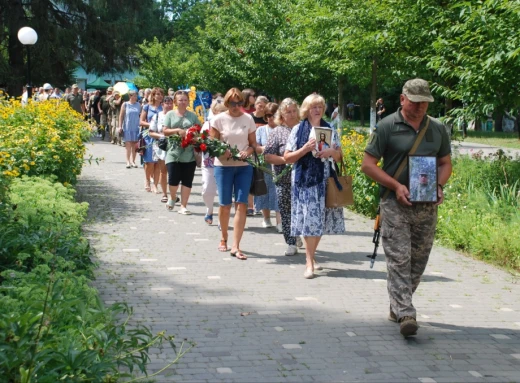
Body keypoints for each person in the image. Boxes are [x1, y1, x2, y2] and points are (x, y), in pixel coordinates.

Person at [361, 78, 452, 337]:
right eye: (415, 102)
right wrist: (396, 186)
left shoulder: (437, 129)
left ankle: (398, 306)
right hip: (394, 202)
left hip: (426, 205)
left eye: (424, 103)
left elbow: (445, 163)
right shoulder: (387, 126)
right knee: (400, 259)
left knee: (418, 262)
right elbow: (368, 165)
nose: (420, 108)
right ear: (403, 99)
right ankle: (407, 314)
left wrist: (439, 186)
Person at [284, 94, 345, 279]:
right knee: (308, 221)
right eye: (314, 107)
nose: (317, 110)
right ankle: (309, 262)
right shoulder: (297, 129)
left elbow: (340, 156)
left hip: (325, 180)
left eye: (320, 106)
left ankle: (311, 256)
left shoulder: (329, 127)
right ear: (307, 109)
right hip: (304, 181)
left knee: (319, 222)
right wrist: (305, 149)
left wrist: (331, 152)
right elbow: (287, 157)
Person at [210, 87, 257, 260]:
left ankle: (236, 245)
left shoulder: (248, 119)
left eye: (239, 103)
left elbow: (253, 144)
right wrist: (223, 152)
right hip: (223, 166)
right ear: (227, 103)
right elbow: (212, 145)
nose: (236, 106)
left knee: (242, 204)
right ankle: (223, 237)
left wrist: (248, 152)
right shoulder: (219, 119)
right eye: (232, 103)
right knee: (224, 205)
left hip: (244, 166)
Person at [264, 98, 304, 255]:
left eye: (294, 111)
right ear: (282, 114)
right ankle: (291, 242)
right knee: (286, 211)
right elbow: (268, 156)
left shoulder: (304, 129)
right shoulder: (277, 132)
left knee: (301, 210)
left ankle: (299, 233)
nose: (292, 114)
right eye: (288, 112)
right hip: (284, 178)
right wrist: (286, 160)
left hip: (303, 178)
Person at [162, 90, 199, 214]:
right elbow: (165, 131)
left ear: (188, 101)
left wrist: (193, 135)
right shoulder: (170, 114)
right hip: (173, 151)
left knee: (187, 180)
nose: (183, 102)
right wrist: (177, 130)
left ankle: (183, 206)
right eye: (180, 100)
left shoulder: (192, 116)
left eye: (185, 100)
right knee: (173, 178)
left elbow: (199, 130)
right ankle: (172, 197)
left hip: (189, 153)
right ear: (175, 102)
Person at [255, 102, 281, 230]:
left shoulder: (282, 129)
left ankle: (280, 222)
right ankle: (266, 218)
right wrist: (266, 149)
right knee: (263, 191)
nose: (270, 117)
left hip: (279, 165)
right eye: (268, 115)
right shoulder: (261, 130)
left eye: (273, 114)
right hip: (264, 166)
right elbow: (255, 147)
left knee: (278, 193)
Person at [201, 102, 227, 225]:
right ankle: (209, 209)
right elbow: (201, 140)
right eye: (219, 112)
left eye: (224, 112)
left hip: (225, 162)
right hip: (209, 161)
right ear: (214, 112)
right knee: (207, 189)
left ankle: (222, 220)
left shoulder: (230, 124)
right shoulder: (208, 124)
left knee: (224, 191)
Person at [149, 95, 174, 203]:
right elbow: (151, 132)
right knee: (163, 171)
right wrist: (161, 136)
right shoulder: (157, 116)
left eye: (170, 103)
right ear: (162, 104)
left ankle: (173, 194)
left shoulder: (177, 115)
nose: (169, 105)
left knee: (174, 172)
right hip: (162, 146)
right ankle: (164, 193)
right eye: (166, 103)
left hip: (175, 146)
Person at [139, 87, 164, 193]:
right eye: (157, 94)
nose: (159, 96)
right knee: (149, 162)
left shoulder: (164, 108)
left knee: (158, 162)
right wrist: (152, 124)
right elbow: (141, 122)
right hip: (149, 136)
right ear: (153, 95)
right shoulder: (147, 107)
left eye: (161, 94)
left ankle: (155, 185)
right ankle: (147, 180)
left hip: (160, 136)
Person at [119, 90, 141, 168]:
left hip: (136, 127)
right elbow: (121, 116)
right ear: (130, 96)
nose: (135, 97)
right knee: (128, 145)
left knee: (134, 145)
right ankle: (128, 161)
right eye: (134, 96)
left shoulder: (138, 105)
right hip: (127, 127)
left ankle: (133, 161)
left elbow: (140, 116)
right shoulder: (125, 104)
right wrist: (120, 126)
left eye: (136, 96)